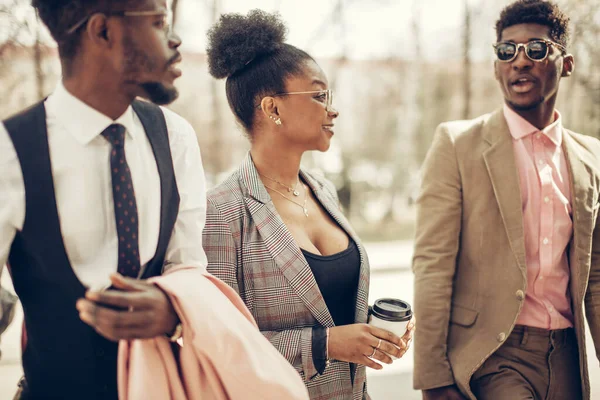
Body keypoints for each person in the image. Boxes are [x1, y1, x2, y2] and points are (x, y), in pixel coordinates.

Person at [202, 10, 414, 400]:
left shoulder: (322, 191)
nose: (332, 109)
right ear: (272, 109)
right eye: (319, 95)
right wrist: (326, 345)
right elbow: (218, 345)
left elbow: (328, 309)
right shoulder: (222, 211)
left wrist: (372, 334)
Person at [0, 0, 207, 398]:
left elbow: (190, 267)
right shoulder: (10, 151)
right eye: (160, 22)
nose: (175, 40)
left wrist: (174, 307)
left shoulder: (175, 137)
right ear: (103, 32)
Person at [412, 1, 600, 399]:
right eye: (506, 50)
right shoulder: (457, 145)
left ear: (565, 64)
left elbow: (596, 274)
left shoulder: (591, 158)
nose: (519, 61)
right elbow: (433, 264)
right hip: (495, 354)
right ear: (496, 65)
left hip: (567, 355)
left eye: (535, 49)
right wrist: (433, 378)